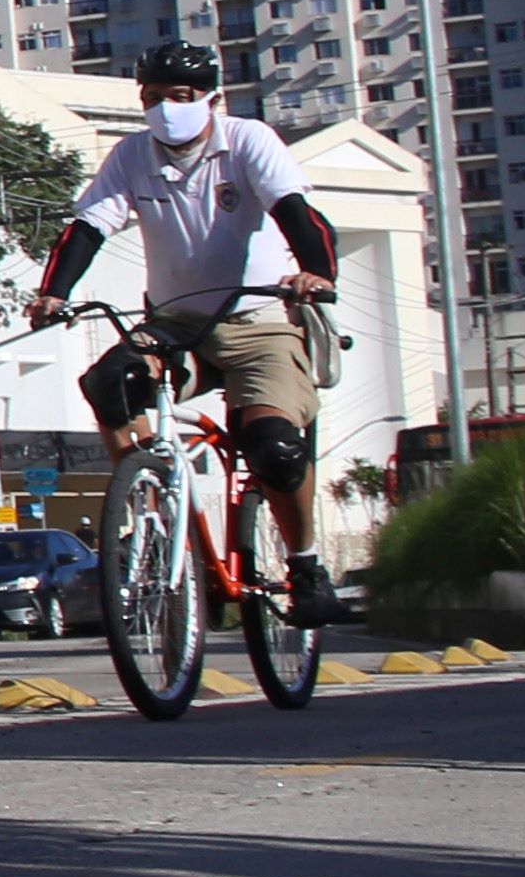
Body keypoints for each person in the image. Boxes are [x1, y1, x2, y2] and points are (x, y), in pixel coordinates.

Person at [22, 42, 349, 627]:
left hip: (259, 324)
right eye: (152, 98)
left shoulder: (247, 141)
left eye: (181, 97)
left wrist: (316, 274)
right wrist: (55, 293)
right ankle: (152, 502)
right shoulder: (131, 155)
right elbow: (88, 226)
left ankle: (304, 563)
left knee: (273, 448)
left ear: (212, 100)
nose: (166, 109)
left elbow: (297, 211)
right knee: (111, 383)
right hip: (176, 329)